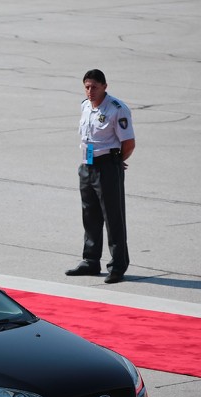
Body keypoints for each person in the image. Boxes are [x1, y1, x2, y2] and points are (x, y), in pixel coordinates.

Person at [66, 69, 135, 284]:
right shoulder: (85, 106)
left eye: (94, 87)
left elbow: (129, 142)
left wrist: (116, 161)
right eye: (87, 87)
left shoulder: (116, 109)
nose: (90, 91)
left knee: (113, 217)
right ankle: (91, 260)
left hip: (107, 167)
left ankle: (117, 265)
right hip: (87, 166)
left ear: (105, 86)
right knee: (90, 216)